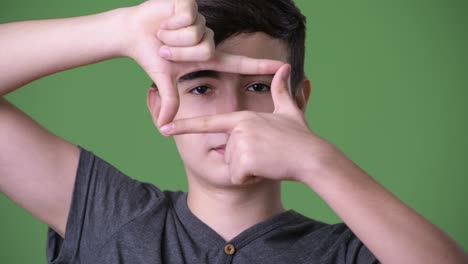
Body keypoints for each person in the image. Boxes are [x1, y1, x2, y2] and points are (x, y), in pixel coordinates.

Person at [0, 0, 466, 263]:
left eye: (259, 86)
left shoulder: (342, 253)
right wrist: (118, 29)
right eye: (202, 86)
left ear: (299, 101)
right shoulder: (110, 218)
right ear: (161, 105)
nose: (234, 111)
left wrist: (316, 160)